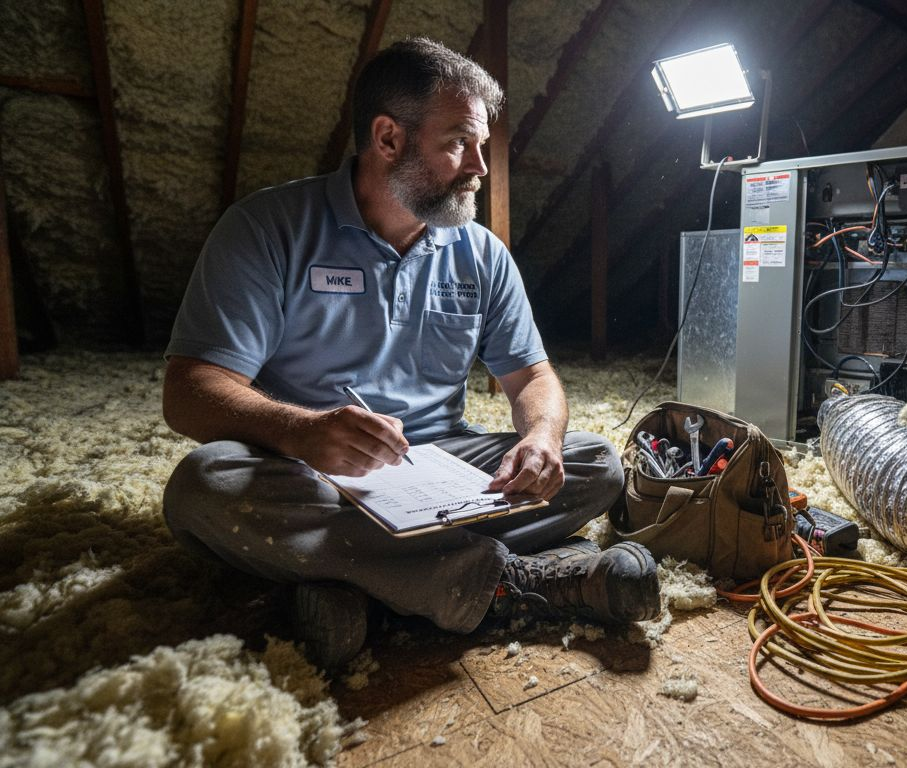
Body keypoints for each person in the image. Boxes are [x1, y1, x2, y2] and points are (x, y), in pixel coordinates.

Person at [160, 38, 659, 668]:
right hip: (309, 472)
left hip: (443, 466)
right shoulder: (267, 229)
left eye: (482, 144)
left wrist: (541, 439)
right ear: (388, 138)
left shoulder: (481, 252)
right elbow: (190, 390)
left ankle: (359, 583)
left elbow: (533, 376)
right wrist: (304, 431)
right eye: (459, 142)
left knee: (595, 463)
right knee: (204, 485)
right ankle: (509, 582)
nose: (479, 166)